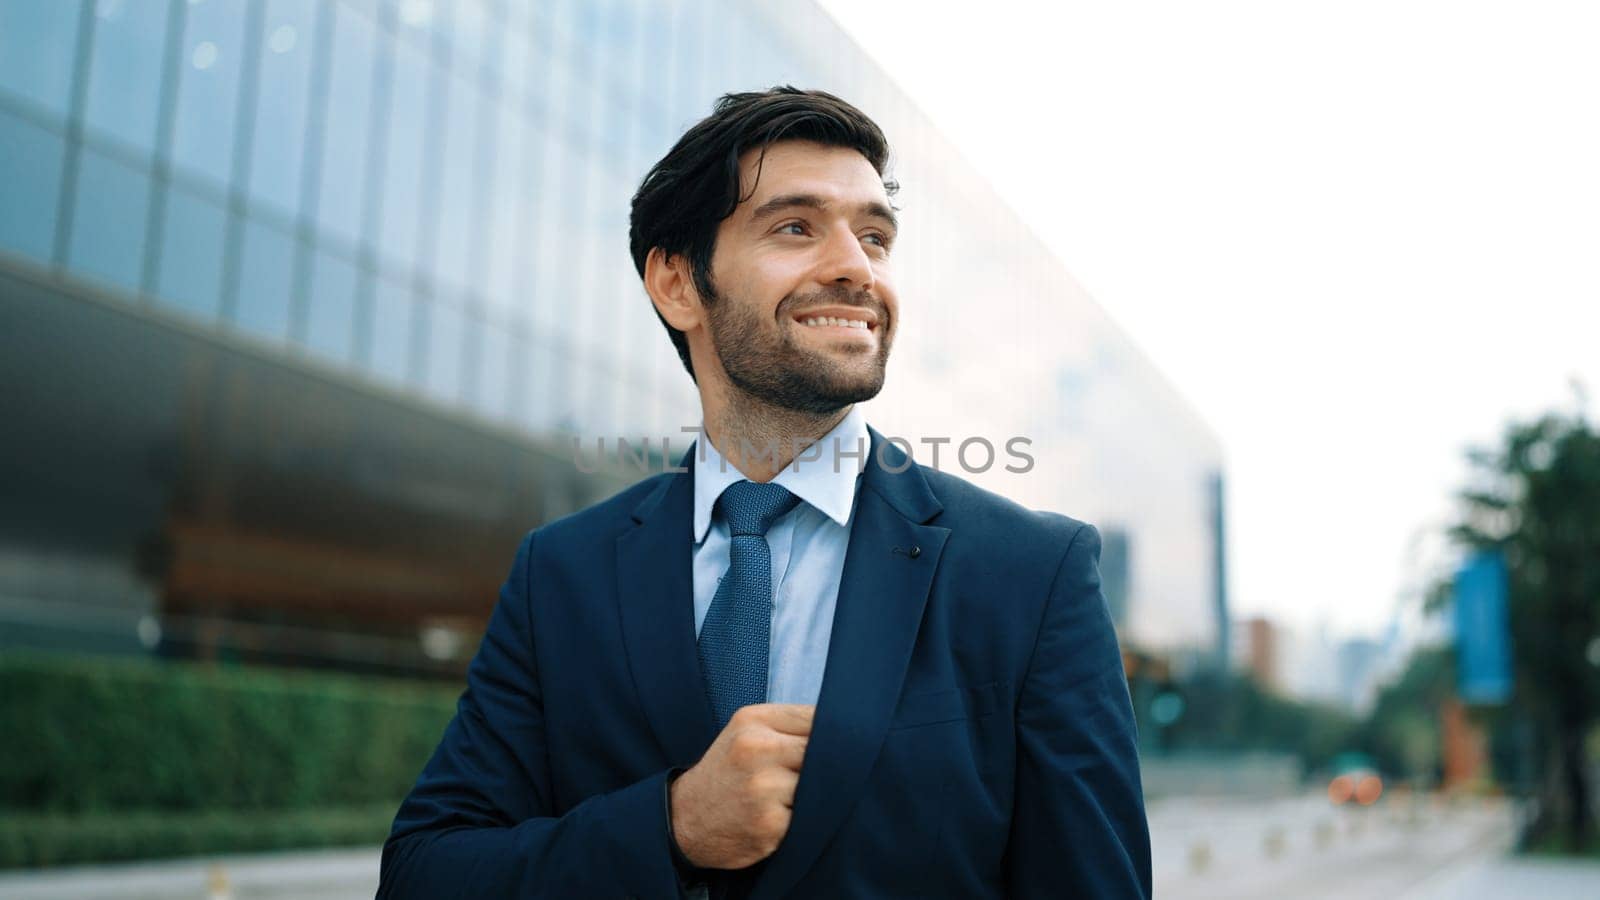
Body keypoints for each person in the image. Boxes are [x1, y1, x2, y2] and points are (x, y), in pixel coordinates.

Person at [379, 87, 1150, 899]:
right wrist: (670, 829)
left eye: (875, 236)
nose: (857, 266)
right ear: (678, 284)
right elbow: (425, 875)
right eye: (795, 227)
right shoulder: (559, 574)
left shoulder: (1033, 574)